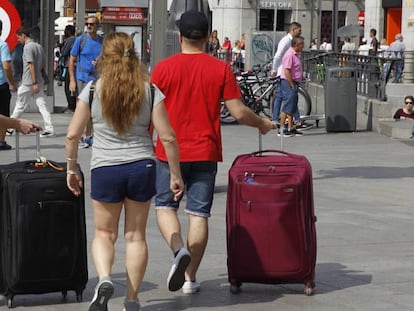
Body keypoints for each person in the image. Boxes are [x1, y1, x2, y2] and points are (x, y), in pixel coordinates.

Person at [151, 10, 275, 295]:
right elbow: (238, 111)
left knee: (165, 207)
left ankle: (178, 250)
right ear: (208, 38)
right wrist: (262, 123)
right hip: (205, 152)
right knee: (199, 215)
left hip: (168, 153)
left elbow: (150, 112)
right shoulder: (220, 69)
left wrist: (148, 141)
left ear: (179, 36)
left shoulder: (162, 69)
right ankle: (190, 278)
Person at [65, 32, 184, 311]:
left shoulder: (93, 90)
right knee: (136, 236)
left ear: (104, 58)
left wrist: (71, 168)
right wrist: (176, 174)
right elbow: (167, 137)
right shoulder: (149, 90)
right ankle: (131, 300)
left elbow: (72, 135)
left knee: (104, 234)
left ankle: (105, 278)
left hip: (105, 168)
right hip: (141, 167)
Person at [9, 26, 55, 138]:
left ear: (24, 36)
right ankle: (49, 128)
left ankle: (9, 127)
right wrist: (37, 80)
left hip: (28, 81)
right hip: (38, 80)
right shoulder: (39, 46)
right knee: (42, 105)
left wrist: (33, 82)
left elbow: (31, 65)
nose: (18, 40)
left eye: (18, 37)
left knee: (20, 104)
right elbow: (43, 65)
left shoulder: (27, 47)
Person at [69, 16, 103, 148]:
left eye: (92, 24)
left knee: (92, 109)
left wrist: (100, 63)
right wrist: (72, 80)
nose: (89, 26)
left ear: (97, 26)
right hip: (81, 77)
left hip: (96, 78)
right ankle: (79, 136)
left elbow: (106, 59)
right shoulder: (80, 40)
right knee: (81, 108)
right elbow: (72, 59)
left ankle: (88, 136)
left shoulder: (102, 42)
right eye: (87, 24)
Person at [270, 22, 310, 130]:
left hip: (290, 76)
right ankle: (283, 124)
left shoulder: (294, 50)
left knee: (290, 100)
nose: (300, 32)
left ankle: (292, 123)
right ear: (294, 29)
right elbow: (278, 56)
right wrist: (274, 69)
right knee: (286, 101)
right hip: (285, 76)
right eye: (299, 30)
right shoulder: (286, 42)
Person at [278, 36, 306, 137]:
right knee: (287, 105)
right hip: (288, 82)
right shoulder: (289, 55)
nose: (303, 46)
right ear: (297, 45)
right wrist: (291, 84)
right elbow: (287, 71)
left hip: (294, 81)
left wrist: (300, 78)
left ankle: (291, 127)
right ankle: (282, 128)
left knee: (292, 106)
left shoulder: (296, 54)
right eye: (302, 44)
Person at [0, 20, 18, 150]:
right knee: (3, 113)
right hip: (1, 84)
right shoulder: (2, 45)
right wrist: (12, 82)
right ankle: (1, 141)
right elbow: (6, 66)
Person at [60, 25, 77, 112]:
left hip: (69, 66)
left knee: (68, 86)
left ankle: (71, 105)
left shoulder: (70, 40)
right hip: (77, 66)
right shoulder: (77, 39)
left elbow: (63, 52)